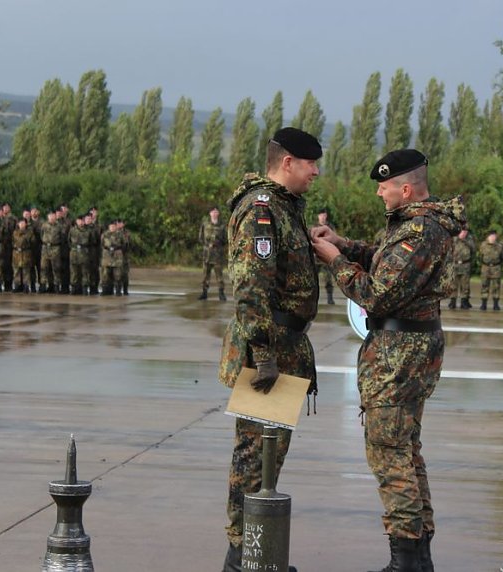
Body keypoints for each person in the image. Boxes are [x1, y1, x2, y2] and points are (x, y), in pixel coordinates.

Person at [311, 148, 465, 572]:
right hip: (407, 353)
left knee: (389, 454)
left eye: (383, 186)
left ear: (406, 188)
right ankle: (417, 558)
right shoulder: (414, 226)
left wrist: (335, 261)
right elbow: (383, 259)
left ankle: (406, 561)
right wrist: (343, 244)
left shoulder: (420, 231)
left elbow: (377, 292)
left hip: (400, 358)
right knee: (405, 452)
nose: (379, 194)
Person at [217, 127, 322, 572]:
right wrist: (263, 354)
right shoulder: (262, 210)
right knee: (254, 458)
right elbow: (250, 284)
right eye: (311, 164)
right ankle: (243, 556)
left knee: (269, 454)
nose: (316, 172)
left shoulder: (284, 209)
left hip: (284, 348)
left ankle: (256, 555)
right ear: (287, 163)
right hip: (269, 352)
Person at [198, 206, 227, 301]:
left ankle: (221, 293)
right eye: (212, 212)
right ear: (210, 213)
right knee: (205, 274)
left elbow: (225, 239)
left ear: (218, 213)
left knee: (219, 275)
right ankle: (204, 293)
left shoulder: (222, 226)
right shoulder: (205, 224)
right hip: (207, 254)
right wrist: (207, 245)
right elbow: (201, 237)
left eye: (216, 212)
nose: (214, 214)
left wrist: (217, 244)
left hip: (217, 254)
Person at [478, 230, 503, 310]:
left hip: (496, 268)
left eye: (494, 236)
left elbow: (502, 257)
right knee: (484, 285)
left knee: (496, 286)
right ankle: (484, 304)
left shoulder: (499, 246)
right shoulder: (483, 245)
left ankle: (496, 304)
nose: (492, 238)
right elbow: (480, 256)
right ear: (488, 237)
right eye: (491, 236)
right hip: (485, 267)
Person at [314, 208, 336, 304]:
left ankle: (330, 298)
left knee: (328, 279)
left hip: (326, 257)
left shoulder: (330, 227)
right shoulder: (314, 227)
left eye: (324, 215)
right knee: (312, 280)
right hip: (315, 257)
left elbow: (334, 239)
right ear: (318, 216)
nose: (322, 217)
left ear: (326, 216)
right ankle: (313, 299)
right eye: (321, 215)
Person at [449, 226, 474, 309]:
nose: (464, 233)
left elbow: (473, 250)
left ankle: (464, 301)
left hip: (465, 265)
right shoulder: (454, 239)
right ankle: (453, 301)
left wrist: (465, 241)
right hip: (455, 264)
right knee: (453, 284)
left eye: (465, 232)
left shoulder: (469, 240)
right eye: (462, 231)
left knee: (465, 285)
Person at [12, 218, 34, 293]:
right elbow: (13, 241)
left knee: (26, 270)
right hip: (17, 253)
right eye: (20, 223)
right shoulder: (15, 232)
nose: (22, 224)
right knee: (16, 270)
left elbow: (32, 241)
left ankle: (26, 286)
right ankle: (17, 285)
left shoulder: (29, 232)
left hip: (26, 253)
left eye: (23, 223)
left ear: (26, 224)